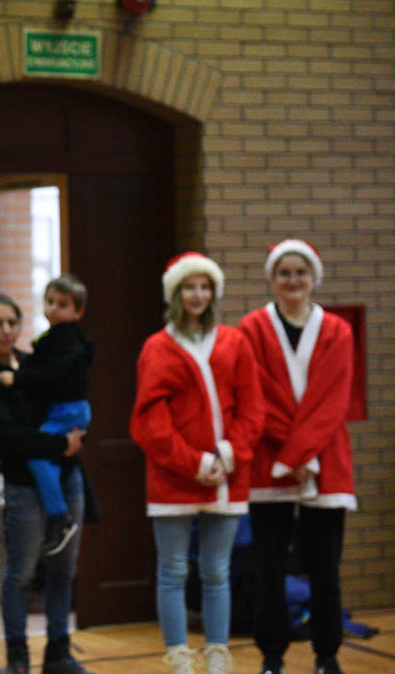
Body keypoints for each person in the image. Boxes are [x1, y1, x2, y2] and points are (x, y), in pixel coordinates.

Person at [129, 252, 265, 674]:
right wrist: (195, 462)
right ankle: (180, 661)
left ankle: (218, 659)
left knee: (217, 571)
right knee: (172, 571)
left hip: (227, 474)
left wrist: (228, 454)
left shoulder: (235, 342)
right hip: (173, 476)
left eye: (205, 287)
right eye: (190, 287)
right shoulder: (156, 347)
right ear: (176, 292)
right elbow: (150, 423)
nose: (197, 294)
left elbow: (252, 407)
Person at [237, 239, 356, 674]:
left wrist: (303, 453)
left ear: (313, 278)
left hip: (325, 462)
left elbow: (332, 400)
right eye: (284, 273)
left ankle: (327, 655)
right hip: (270, 462)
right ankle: (272, 657)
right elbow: (255, 398)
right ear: (272, 278)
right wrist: (294, 456)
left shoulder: (338, 331)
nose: (292, 280)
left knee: (325, 567)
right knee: (268, 568)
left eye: (300, 272)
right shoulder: (251, 328)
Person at [0, 293, 91, 674]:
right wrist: (60, 443)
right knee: (20, 573)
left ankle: (58, 654)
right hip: (23, 485)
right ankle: (18, 659)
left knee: (64, 570)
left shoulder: (30, 363)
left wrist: (73, 429)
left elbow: (66, 395)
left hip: (67, 476)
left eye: (12, 322)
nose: (6, 330)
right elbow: (10, 438)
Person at [0, 275, 93, 556]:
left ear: (78, 311)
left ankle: (59, 517)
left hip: (67, 410)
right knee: (49, 455)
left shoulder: (66, 340)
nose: (52, 308)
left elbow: (50, 374)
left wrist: (17, 378)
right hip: (67, 408)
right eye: (49, 301)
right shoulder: (61, 338)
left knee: (39, 457)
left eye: (62, 304)